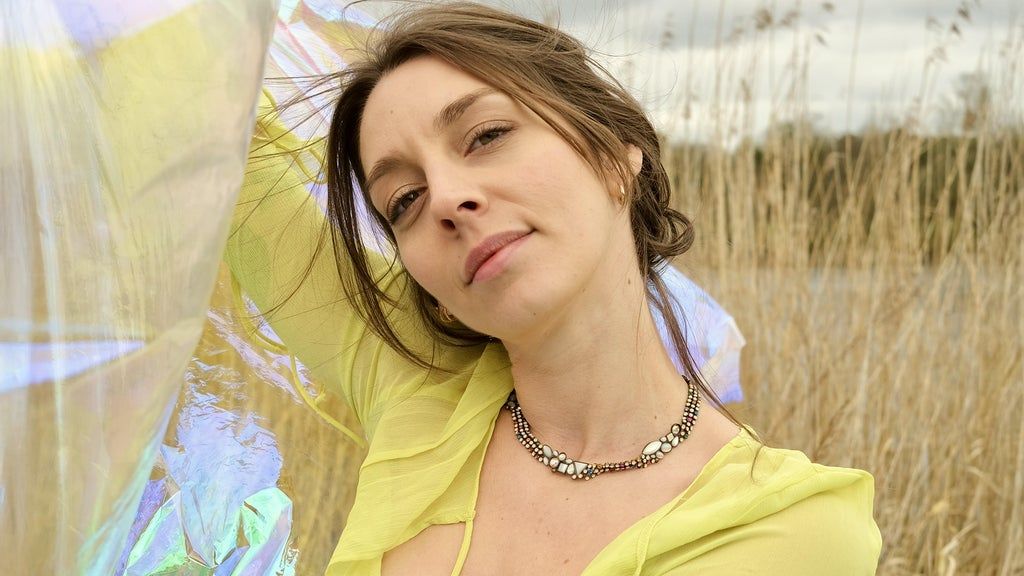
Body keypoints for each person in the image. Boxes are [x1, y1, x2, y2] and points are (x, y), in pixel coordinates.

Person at [227, 2, 882, 574]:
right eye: (404, 200)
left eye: (487, 136)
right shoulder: (415, 391)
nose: (447, 198)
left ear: (613, 155)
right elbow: (213, 140)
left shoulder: (786, 528)